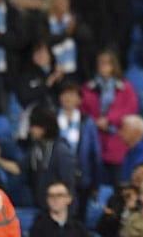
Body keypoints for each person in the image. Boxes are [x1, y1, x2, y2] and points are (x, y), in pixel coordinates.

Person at [0, 107, 77, 211]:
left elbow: (68, 184)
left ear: (44, 128)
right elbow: (18, 168)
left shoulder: (61, 151)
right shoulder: (36, 147)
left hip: (60, 209)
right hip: (42, 207)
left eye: (33, 126)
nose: (30, 130)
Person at [80, 49, 139, 186]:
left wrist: (110, 120)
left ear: (114, 65)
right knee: (91, 179)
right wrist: (96, 122)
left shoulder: (125, 87)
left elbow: (130, 109)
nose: (104, 67)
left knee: (117, 181)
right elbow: (82, 109)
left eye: (107, 63)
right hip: (94, 137)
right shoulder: (88, 87)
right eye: (101, 63)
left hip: (117, 137)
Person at [57, 82, 102, 221]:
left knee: (78, 219)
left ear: (79, 100)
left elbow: (95, 152)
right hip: (57, 178)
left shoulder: (87, 122)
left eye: (72, 95)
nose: (68, 98)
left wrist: (95, 183)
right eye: (65, 94)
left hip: (82, 179)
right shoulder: (52, 119)